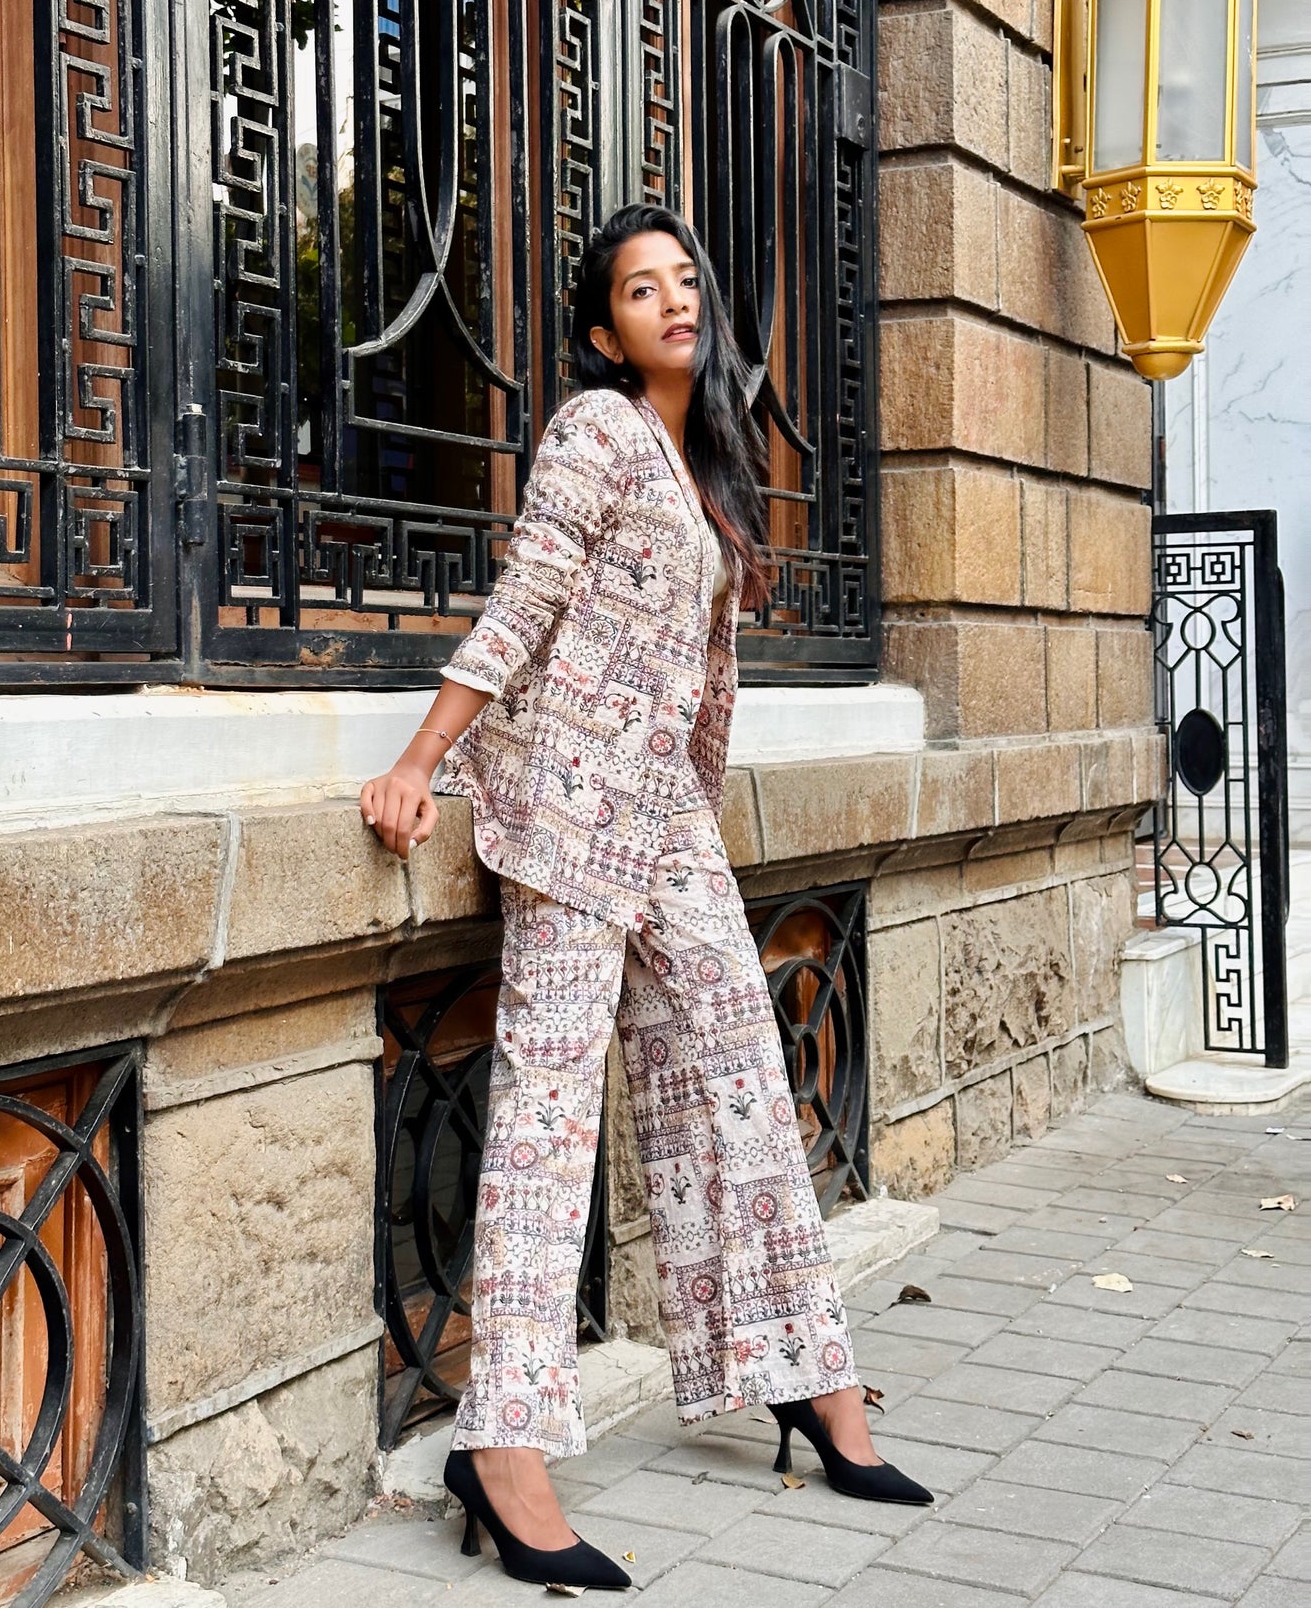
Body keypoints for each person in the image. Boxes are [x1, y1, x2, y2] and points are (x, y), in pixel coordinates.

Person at [360, 205, 932, 1590]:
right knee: (549, 1135)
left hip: (664, 822)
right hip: (561, 817)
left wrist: (690, 808)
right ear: (601, 329)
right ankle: (499, 1453)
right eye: (640, 287)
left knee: (743, 1075)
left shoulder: (706, 460)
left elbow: (700, 673)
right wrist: (421, 762)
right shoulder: (595, 431)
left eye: (686, 278)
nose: (672, 299)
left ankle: (803, 1370)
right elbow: (525, 601)